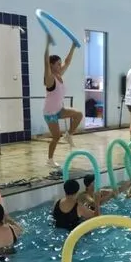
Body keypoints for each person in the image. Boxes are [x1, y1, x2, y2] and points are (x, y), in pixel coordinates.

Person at [43, 35, 83, 168]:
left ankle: (69, 134)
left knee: (78, 114)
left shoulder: (59, 75)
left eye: (60, 64)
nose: (61, 66)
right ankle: (50, 160)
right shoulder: (50, 79)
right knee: (56, 137)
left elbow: (68, 61)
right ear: (51, 66)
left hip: (59, 110)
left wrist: (73, 46)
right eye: (58, 64)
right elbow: (45, 62)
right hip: (50, 113)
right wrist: (47, 45)